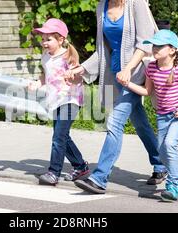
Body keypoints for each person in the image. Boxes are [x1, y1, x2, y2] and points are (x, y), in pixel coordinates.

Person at [70, 0, 168, 194]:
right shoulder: (102, 7)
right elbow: (102, 49)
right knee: (140, 122)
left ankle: (99, 178)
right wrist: (82, 68)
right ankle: (161, 163)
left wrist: (129, 69)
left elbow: (145, 43)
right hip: (115, 72)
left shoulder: (136, 4)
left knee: (115, 123)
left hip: (135, 74)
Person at [124, 29, 178, 201]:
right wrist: (128, 84)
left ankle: (173, 185)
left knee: (170, 144)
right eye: (154, 45)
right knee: (162, 152)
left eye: (159, 46)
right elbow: (147, 91)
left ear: (172, 50)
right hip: (162, 116)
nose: (155, 48)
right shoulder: (151, 68)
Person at [28, 18, 90, 185]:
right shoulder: (46, 57)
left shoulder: (68, 57)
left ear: (61, 39)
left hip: (70, 99)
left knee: (58, 138)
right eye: (43, 39)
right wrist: (37, 82)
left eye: (49, 39)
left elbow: (79, 77)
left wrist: (74, 79)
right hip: (55, 100)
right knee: (62, 136)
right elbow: (46, 75)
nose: (44, 43)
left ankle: (53, 172)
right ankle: (80, 165)